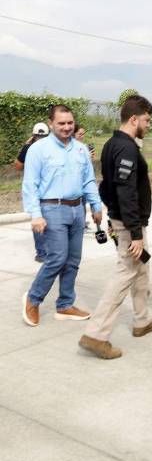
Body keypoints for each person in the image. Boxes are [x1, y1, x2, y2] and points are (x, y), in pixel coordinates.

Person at [78, 95, 152, 359]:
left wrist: (114, 215)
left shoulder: (112, 144)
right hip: (129, 224)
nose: (148, 125)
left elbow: (106, 186)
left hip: (123, 221)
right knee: (125, 272)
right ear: (134, 118)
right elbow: (126, 191)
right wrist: (134, 233)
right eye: (147, 120)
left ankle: (141, 321)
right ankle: (96, 334)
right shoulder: (126, 148)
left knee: (142, 270)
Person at [21, 105, 103, 327]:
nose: (67, 127)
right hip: (51, 209)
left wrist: (96, 205)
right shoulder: (38, 150)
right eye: (61, 123)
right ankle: (33, 298)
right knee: (57, 258)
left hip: (78, 209)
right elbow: (30, 185)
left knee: (73, 260)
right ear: (51, 124)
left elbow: (88, 180)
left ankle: (65, 304)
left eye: (70, 123)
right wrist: (36, 215)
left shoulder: (80, 149)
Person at [15, 122, 50, 262]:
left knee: (37, 219)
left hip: (35, 190)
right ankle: (49, 251)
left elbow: (17, 166)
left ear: (33, 135)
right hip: (49, 190)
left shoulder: (29, 148)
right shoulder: (53, 147)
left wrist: (25, 147)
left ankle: (41, 253)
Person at [73, 124, 96, 231]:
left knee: (84, 202)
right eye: (79, 134)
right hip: (76, 181)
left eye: (83, 134)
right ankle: (79, 223)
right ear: (74, 134)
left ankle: (82, 222)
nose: (82, 136)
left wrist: (90, 157)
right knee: (78, 203)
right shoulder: (71, 147)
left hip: (84, 180)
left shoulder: (84, 147)